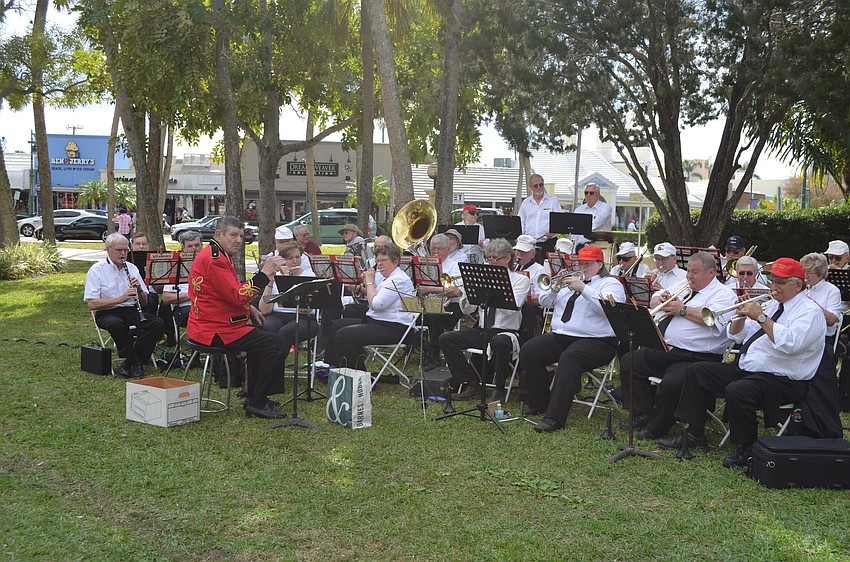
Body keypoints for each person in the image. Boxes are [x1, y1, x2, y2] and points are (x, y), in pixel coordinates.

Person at [662, 257, 827, 467]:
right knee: (698, 371)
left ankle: (746, 448)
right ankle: (694, 433)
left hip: (783, 379)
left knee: (738, 390)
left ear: (798, 285)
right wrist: (740, 316)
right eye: (773, 281)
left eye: (781, 283)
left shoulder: (809, 311)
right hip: (752, 370)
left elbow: (791, 344)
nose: (775, 287)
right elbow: (736, 337)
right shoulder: (772, 304)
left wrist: (761, 318)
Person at [619, 252, 738, 439]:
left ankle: (658, 427)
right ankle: (643, 413)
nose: (689, 276)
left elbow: (714, 320)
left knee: (672, 382)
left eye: (695, 272)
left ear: (711, 273)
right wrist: (660, 298)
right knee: (629, 361)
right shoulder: (684, 284)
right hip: (668, 349)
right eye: (689, 271)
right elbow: (654, 297)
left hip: (697, 356)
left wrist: (682, 310)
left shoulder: (724, 294)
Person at [187, 216, 290, 419]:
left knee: (267, 336)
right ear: (219, 235)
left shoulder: (218, 254)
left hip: (211, 324)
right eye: (233, 235)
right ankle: (257, 401)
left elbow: (223, 293)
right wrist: (264, 273)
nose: (238, 240)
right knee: (277, 342)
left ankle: (254, 395)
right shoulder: (215, 259)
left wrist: (249, 309)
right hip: (214, 330)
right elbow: (236, 296)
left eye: (241, 236)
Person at [518, 245, 626, 432]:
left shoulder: (611, 284)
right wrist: (554, 288)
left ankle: (555, 418)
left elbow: (610, 308)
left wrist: (583, 288)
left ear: (600, 264)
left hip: (597, 341)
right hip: (562, 337)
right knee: (529, 350)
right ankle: (539, 401)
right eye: (580, 263)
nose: (582, 268)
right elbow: (544, 302)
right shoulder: (569, 283)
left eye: (587, 264)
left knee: (570, 358)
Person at [440, 239, 531, 402]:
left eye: (495, 258)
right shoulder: (482, 277)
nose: (491, 262)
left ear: (507, 258)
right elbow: (467, 310)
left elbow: (512, 309)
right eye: (489, 258)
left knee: (499, 342)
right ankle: (470, 382)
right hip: (483, 329)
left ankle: (499, 389)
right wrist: (469, 293)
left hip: (506, 332)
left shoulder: (520, 280)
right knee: (447, 339)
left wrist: (496, 290)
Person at [84, 233, 166, 378]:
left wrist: (139, 289)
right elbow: (92, 304)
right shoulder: (97, 270)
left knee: (157, 323)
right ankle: (136, 361)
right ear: (108, 249)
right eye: (119, 250)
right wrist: (120, 299)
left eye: (125, 250)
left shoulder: (132, 268)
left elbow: (145, 301)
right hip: (107, 312)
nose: (123, 254)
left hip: (131, 310)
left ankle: (130, 362)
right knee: (116, 324)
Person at [324, 243, 416, 372]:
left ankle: (358, 376)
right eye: (377, 260)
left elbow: (377, 305)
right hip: (378, 321)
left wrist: (370, 282)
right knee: (337, 325)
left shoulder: (398, 279)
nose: (379, 264)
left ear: (395, 261)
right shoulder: (387, 278)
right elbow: (373, 300)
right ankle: (333, 368)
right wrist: (367, 283)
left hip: (394, 328)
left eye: (383, 260)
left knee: (343, 335)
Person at [258, 241, 320, 346]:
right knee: (266, 328)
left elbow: (306, 309)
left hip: (302, 317)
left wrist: (289, 280)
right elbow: (264, 310)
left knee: (285, 333)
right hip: (277, 315)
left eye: (297, 257)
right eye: (290, 258)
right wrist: (270, 283)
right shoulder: (275, 275)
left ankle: (276, 360)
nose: (295, 261)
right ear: (283, 260)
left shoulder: (309, 276)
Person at [418, 232, 464, 365]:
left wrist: (430, 289)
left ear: (448, 249)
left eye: (439, 249)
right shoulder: (425, 264)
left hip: (451, 306)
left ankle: (434, 353)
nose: (436, 252)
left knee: (434, 315)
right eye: (433, 248)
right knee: (411, 312)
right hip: (429, 303)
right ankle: (422, 346)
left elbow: (456, 292)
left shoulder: (455, 266)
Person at [162, 230, 203, 331]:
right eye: (190, 246)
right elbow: (166, 298)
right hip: (185, 308)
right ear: (182, 248)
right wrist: (191, 295)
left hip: (208, 305)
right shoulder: (175, 267)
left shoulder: (211, 264)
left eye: (197, 245)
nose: (194, 249)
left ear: (202, 246)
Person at [518, 174, 563, 263]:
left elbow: (559, 221)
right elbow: (521, 223)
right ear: (531, 187)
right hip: (529, 244)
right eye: (536, 185)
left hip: (549, 242)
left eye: (541, 185)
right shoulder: (526, 203)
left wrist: (553, 232)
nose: (539, 187)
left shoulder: (553, 200)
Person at [799, 252, 843, 344]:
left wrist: (809, 303)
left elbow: (831, 320)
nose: (805, 276)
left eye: (810, 273)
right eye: (803, 272)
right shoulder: (800, 287)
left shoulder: (832, 291)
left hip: (822, 340)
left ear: (821, 274)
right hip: (800, 335)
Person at [512, 234, 547, 342]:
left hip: (529, 313)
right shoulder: (512, 267)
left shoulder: (540, 270)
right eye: (517, 251)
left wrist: (523, 296)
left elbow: (543, 298)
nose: (519, 255)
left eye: (524, 252)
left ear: (533, 253)